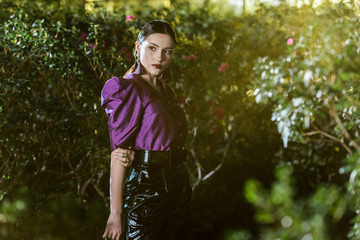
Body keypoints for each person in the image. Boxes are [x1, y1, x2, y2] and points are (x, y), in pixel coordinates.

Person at [101, 20, 192, 240]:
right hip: (147, 185)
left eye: (166, 51)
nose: (159, 58)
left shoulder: (166, 91)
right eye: (152, 48)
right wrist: (115, 213)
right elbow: (119, 155)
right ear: (138, 47)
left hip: (179, 183)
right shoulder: (129, 88)